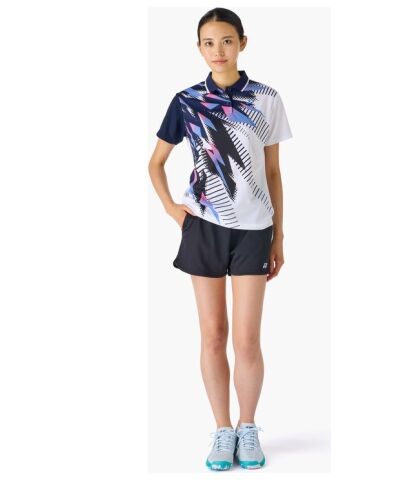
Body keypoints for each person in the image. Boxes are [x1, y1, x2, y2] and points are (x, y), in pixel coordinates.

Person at [148, 7, 293, 471]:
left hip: (255, 230)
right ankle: (222, 430)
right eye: (209, 43)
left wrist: (279, 236)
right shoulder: (186, 101)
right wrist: (173, 209)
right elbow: (155, 163)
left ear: (242, 43)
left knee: (247, 339)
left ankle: (248, 427)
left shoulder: (266, 99)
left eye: (227, 41)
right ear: (199, 48)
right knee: (213, 335)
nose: (218, 51)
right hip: (204, 228)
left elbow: (273, 171)